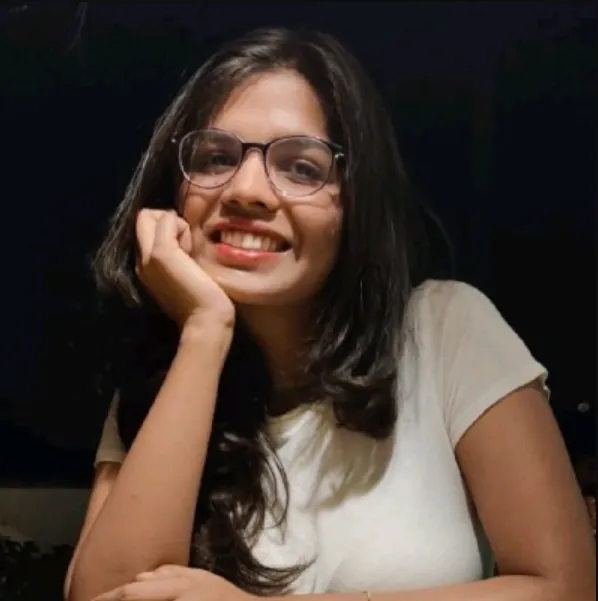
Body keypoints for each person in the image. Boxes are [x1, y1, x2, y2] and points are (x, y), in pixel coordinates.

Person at [64, 27, 595, 601]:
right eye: (215, 157)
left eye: (300, 167)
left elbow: (564, 587)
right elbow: (108, 595)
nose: (246, 190)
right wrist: (204, 331)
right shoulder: (161, 381)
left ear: (357, 202)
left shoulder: (447, 330)